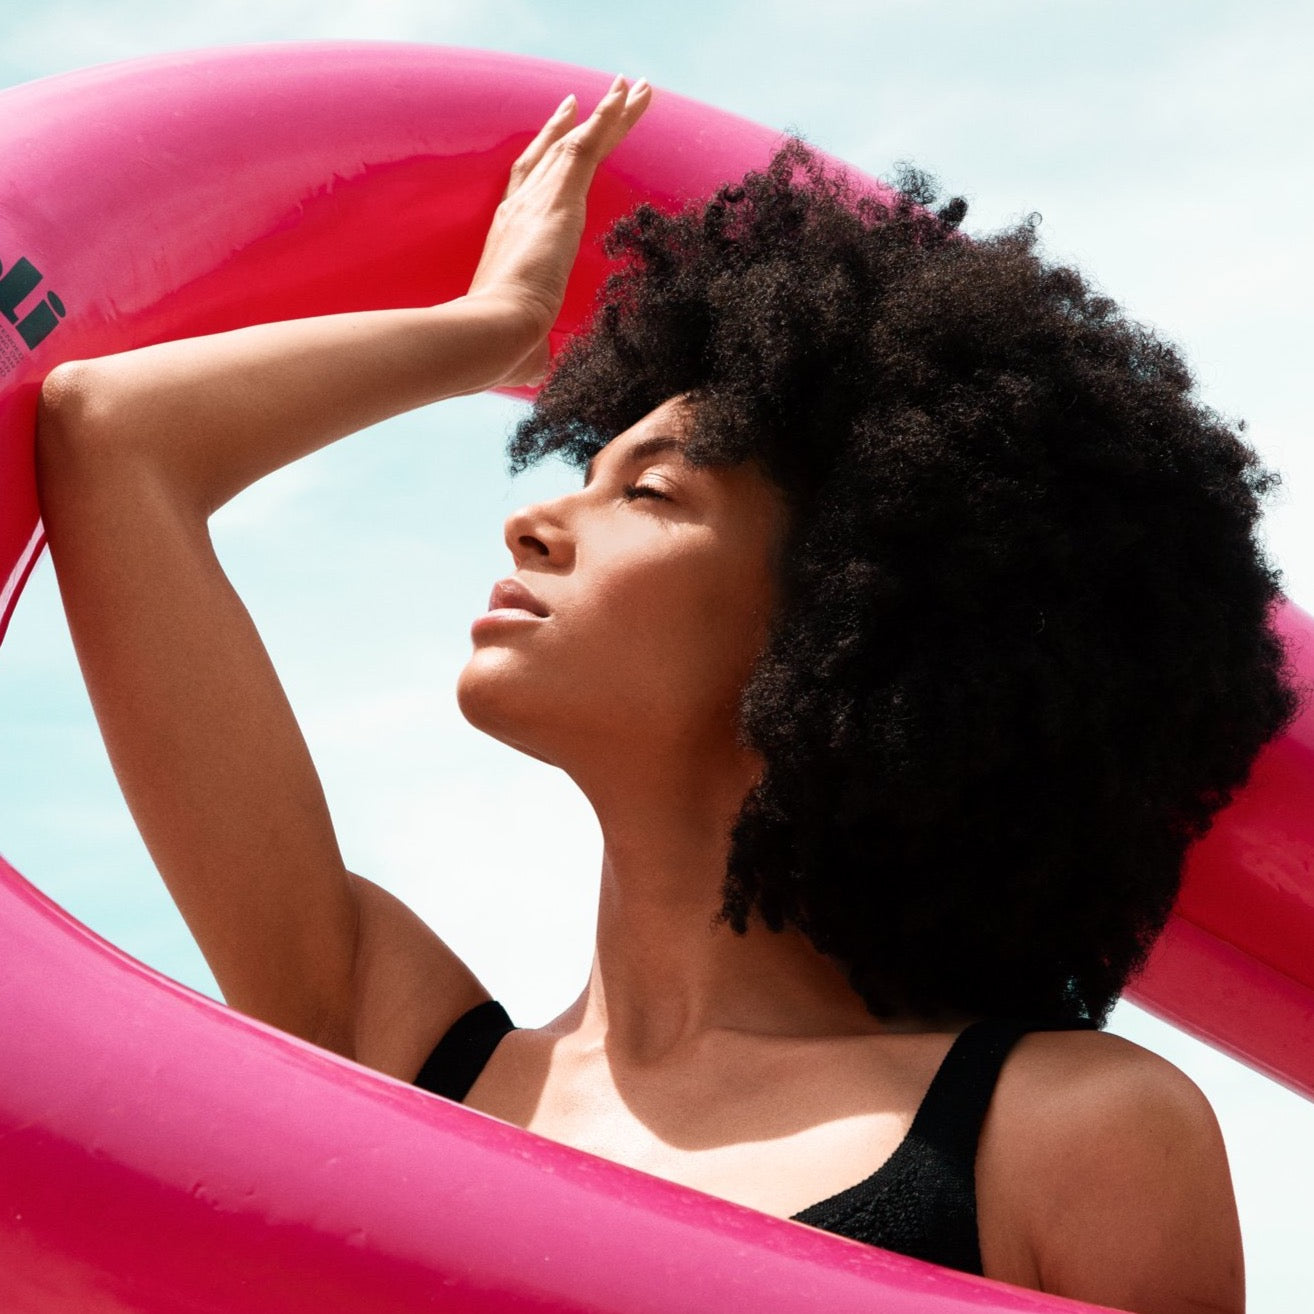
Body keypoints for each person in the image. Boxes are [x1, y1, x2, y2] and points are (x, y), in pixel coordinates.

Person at [34, 75, 1297, 1314]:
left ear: (844, 624)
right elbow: (113, 436)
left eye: (648, 492)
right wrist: (492, 325)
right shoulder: (402, 1057)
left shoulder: (1075, 1133)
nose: (534, 519)